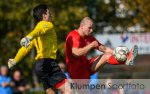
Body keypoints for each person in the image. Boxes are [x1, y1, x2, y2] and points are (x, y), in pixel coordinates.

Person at [8, 4, 72, 94]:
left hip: (39, 66)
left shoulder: (37, 33)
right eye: (49, 12)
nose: (51, 14)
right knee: (69, 90)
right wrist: (28, 37)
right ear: (44, 15)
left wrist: (15, 60)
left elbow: (25, 48)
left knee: (52, 91)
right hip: (48, 63)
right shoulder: (47, 25)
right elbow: (39, 30)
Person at [65, 17, 138, 80]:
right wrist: (90, 45)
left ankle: (127, 59)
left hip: (85, 65)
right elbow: (76, 53)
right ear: (82, 26)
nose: (91, 30)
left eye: (92, 28)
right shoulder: (74, 36)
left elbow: (104, 49)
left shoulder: (89, 37)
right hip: (75, 70)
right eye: (89, 28)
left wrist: (120, 53)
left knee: (107, 55)